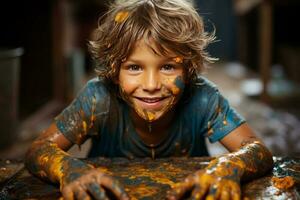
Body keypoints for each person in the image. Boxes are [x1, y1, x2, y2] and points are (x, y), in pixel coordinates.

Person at [25, 0, 274, 199]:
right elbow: (38, 150)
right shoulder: (98, 98)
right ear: (113, 72)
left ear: (188, 70)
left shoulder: (202, 97)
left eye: (168, 67)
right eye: (134, 68)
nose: (152, 85)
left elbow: (258, 151)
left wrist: (227, 167)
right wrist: (69, 168)